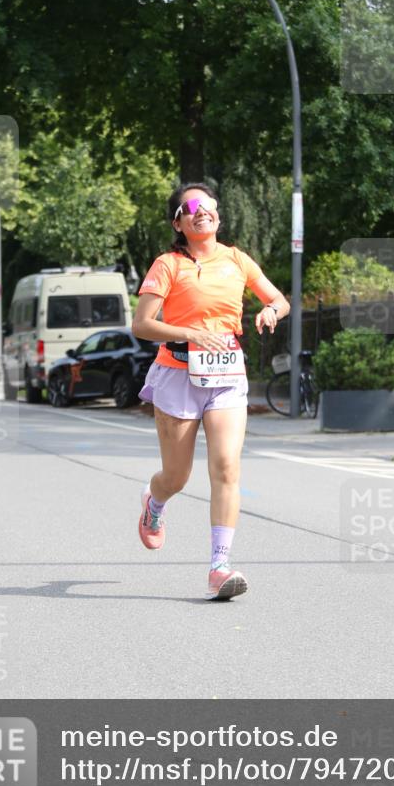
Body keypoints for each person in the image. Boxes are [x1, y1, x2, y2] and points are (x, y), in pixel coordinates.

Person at [132, 182, 290, 600]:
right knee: (176, 477)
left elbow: (279, 299)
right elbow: (142, 324)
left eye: (208, 204)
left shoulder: (237, 259)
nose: (202, 210)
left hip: (227, 376)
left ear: (218, 214)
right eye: (191, 206)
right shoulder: (168, 264)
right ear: (178, 223)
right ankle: (154, 503)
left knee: (226, 468)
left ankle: (219, 567)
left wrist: (271, 311)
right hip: (177, 373)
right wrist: (191, 333)